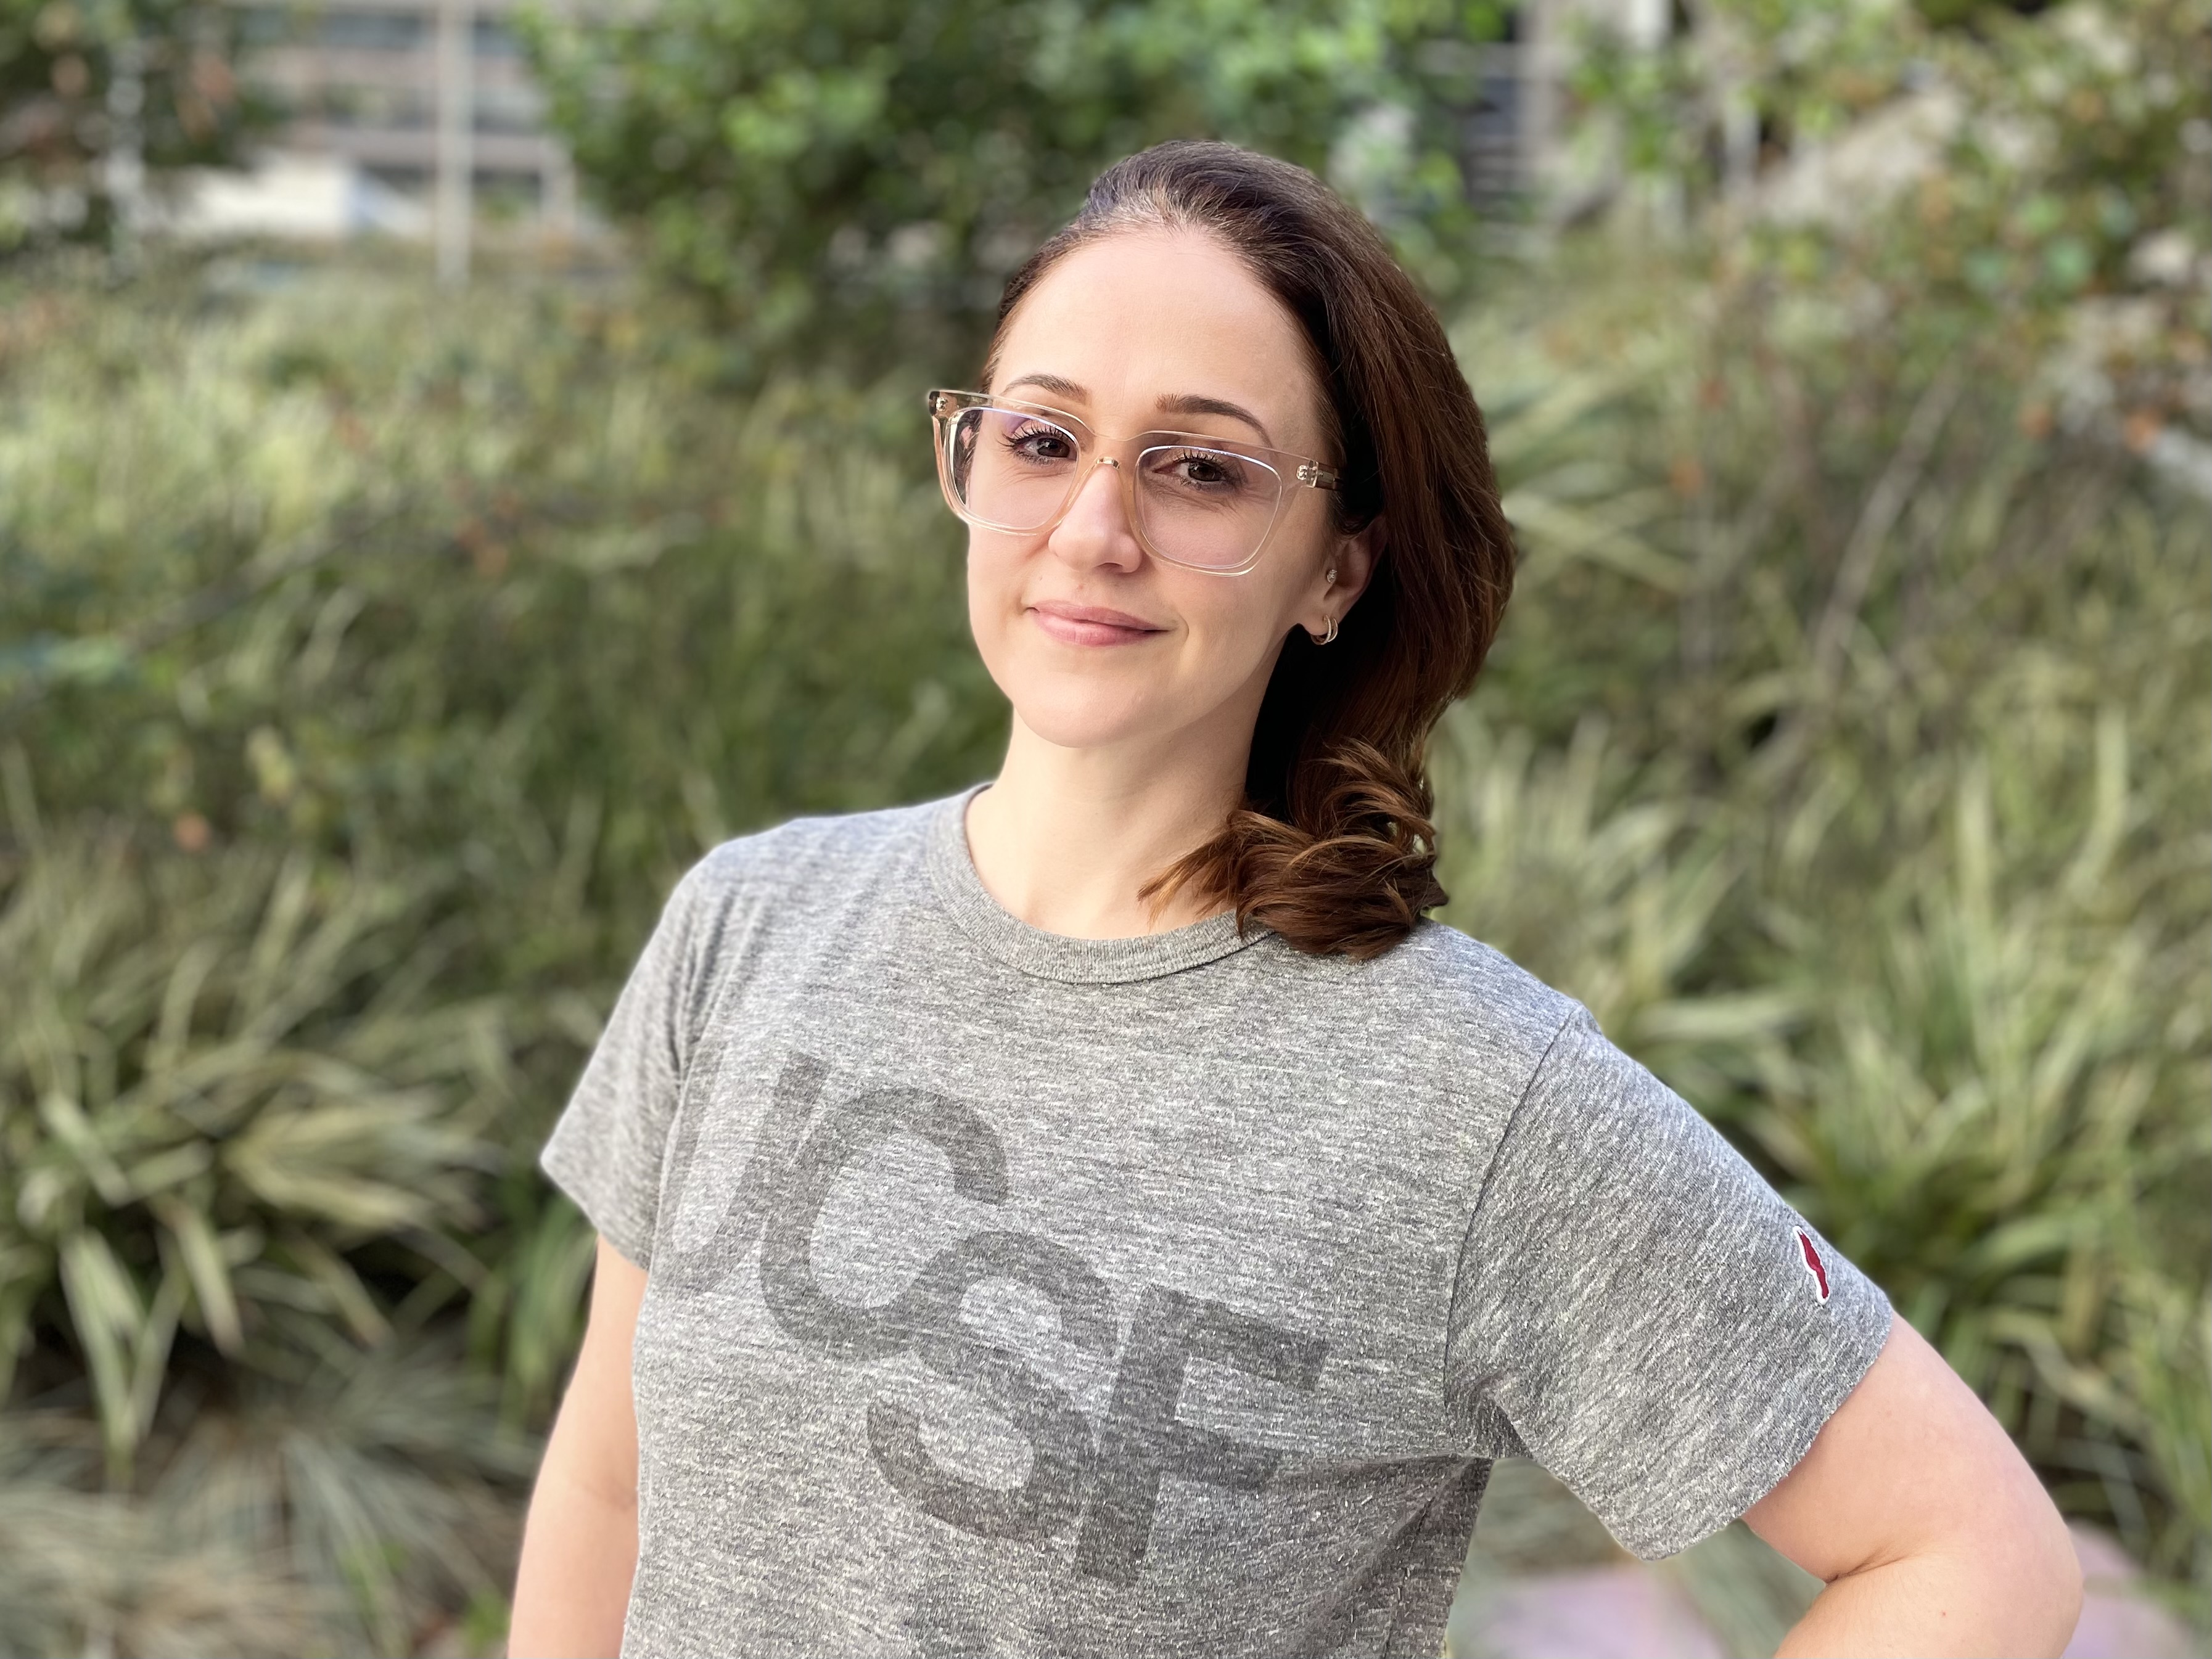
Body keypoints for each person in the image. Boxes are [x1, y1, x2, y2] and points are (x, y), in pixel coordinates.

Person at [508, 141, 2081, 1659]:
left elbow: (1974, 1553)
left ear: (1337, 568)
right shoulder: (751, 921)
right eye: (1042, 439)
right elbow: (609, 1482)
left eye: (1202, 469)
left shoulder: (1471, 1100)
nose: (1094, 530)